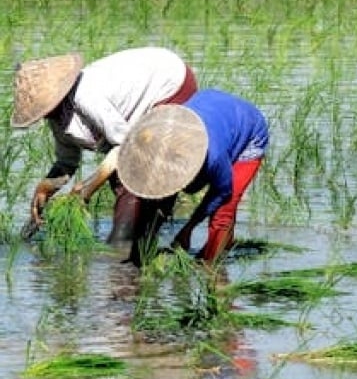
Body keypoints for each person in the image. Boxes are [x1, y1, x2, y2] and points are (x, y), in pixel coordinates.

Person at [11, 47, 197, 242]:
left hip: (170, 84)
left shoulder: (86, 95)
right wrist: (45, 187)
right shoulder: (57, 118)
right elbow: (67, 163)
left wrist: (87, 190)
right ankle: (139, 236)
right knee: (124, 176)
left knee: (133, 171)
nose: (44, 116)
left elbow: (126, 146)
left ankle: (122, 245)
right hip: (130, 124)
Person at [116, 89, 269, 266]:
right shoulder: (161, 145)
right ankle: (141, 255)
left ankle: (212, 268)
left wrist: (188, 228)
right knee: (156, 199)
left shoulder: (214, 157)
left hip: (249, 131)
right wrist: (138, 254)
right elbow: (151, 203)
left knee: (223, 211)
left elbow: (223, 192)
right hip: (208, 109)